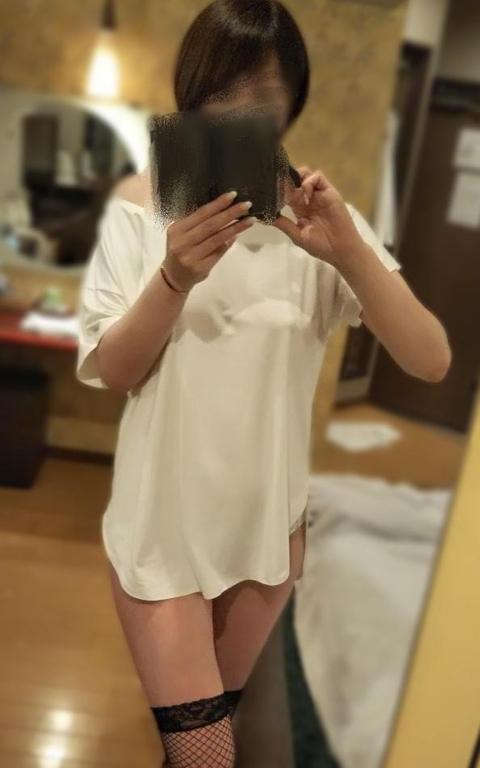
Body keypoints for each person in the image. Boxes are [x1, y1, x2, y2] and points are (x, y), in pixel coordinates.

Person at [75, 2, 452, 766]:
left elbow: (431, 359)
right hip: (162, 529)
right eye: (221, 97)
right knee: (210, 755)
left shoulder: (322, 223)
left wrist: (348, 253)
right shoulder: (137, 207)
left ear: (291, 107)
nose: (238, 118)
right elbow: (114, 371)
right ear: (191, 95)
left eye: (262, 101)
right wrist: (173, 277)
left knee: (202, 736)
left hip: (266, 533)